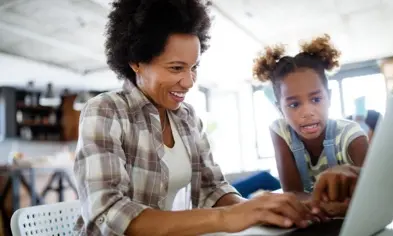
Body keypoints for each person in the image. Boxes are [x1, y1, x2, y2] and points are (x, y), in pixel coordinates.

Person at [73, 1, 319, 235]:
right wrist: (228, 217)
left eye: (194, 67)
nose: (189, 82)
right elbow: (109, 212)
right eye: (176, 68)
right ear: (136, 62)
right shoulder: (106, 110)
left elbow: (212, 189)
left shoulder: (187, 118)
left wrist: (259, 210)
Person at [252, 34, 369, 207]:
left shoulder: (351, 134)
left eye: (315, 100)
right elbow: (293, 193)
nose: (307, 112)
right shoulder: (281, 131)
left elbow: (375, 189)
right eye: (294, 104)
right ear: (279, 109)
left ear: (329, 97)